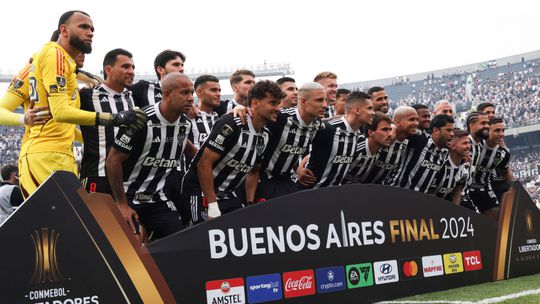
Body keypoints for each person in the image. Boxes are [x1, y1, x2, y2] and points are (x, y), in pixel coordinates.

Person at [19, 10, 146, 197]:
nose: (90, 33)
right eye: (83, 27)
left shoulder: (66, 64)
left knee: (69, 223)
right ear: (64, 30)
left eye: (92, 29)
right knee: (53, 222)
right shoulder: (55, 55)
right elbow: (61, 112)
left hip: (61, 153)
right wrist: (114, 118)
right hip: (45, 153)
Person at [106, 73, 197, 240]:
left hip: (157, 199)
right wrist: (121, 204)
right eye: (185, 93)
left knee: (181, 242)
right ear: (167, 94)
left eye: (192, 92)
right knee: (134, 240)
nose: (191, 98)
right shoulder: (141, 120)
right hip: (128, 197)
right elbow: (113, 160)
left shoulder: (185, 124)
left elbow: (189, 149)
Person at [181, 80, 282, 223]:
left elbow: (254, 171)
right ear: (255, 103)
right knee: (204, 239)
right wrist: (212, 205)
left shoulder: (265, 135)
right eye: (272, 103)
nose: (278, 108)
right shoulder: (232, 123)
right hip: (200, 192)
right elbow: (204, 164)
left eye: (278, 103)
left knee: (244, 233)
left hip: (228, 194)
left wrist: (250, 203)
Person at [245, 82, 325, 203]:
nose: (325, 105)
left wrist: (297, 168)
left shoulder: (317, 125)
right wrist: (239, 109)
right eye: (319, 100)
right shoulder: (280, 119)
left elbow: (290, 149)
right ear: (303, 101)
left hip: (286, 181)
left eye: (325, 100)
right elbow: (253, 116)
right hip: (264, 180)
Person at [79, 48, 136, 194]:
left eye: (133, 67)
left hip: (128, 178)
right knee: (95, 217)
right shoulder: (87, 95)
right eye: (125, 66)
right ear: (108, 69)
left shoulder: (132, 97)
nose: (131, 71)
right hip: (97, 176)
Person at [297, 91, 374, 189]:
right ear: (357, 110)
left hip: (332, 195)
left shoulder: (357, 133)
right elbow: (302, 141)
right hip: (308, 193)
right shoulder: (328, 128)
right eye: (369, 108)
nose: (373, 113)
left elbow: (318, 153)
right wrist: (299, 168)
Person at [390, 114, 454, 193]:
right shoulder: (420, 139)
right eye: (448, 130)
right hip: (398, 193)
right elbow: (399, 129)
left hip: (420, 201)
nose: (452, 134)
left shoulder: (445, 153)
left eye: (452, 131)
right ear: (436, 130)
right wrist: (392, 127)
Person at [469, 117, 512, 220]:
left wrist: (513, 189)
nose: (501, 134)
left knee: (496, 217)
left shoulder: (504, 152)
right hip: (467, 188)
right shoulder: (474, 145)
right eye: (497, 130)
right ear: (487, 131)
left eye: (503, 130)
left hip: (485, 188)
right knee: (470, 220)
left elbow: (505, 173)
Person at [362, 106, 417, 184]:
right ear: (397, 122)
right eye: (411, 120)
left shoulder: (408, 142)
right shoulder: (381, 138)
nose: (416, 123)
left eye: (417, 120)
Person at [343, 112, 394, 184]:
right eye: (384, 129)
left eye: (390, 130)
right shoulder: (355, 148)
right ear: (370, 132)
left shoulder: (379, 150)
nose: (390, 134)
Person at [430, 129, 471, 204]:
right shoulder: (440, 164)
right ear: (453, 146)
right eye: (465, 143)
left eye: (469, 143)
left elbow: (457, 190)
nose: (469, 146)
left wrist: (456, 210)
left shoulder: (464, 167)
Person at [461, 111, 490, 212]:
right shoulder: (464, 145)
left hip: (468, 193)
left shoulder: (480, 145)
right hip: (460, 196)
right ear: (472, 125)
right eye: (483, 123)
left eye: (487, 123)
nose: (487, 126)